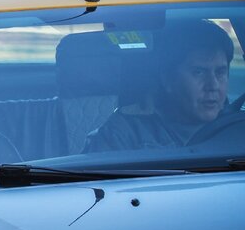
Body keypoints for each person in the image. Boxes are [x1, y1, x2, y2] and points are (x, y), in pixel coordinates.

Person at [84, 19, 234, 152]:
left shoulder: (237, 126)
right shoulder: (123, 134)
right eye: (199, 72)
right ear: (168, 79)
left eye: (220, 72)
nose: (213, 85)